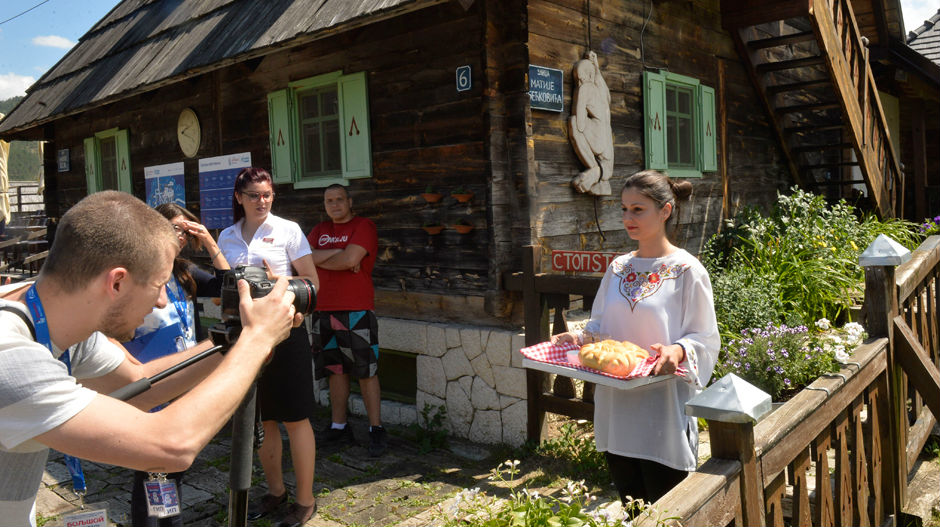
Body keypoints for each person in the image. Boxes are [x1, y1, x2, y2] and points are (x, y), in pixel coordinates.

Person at [0, 191, 300, 527]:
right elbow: (170, 445)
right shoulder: (9, 357)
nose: (161, 302)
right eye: (158, 285)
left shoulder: (56, 314)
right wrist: (257, 341)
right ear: (117, 282)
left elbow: (141, 384)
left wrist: (236, 337)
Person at [551, 170, 720, 512]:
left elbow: (704, 336)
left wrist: (677, 349)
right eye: (624, 209)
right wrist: (580, 336)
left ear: (665, 211)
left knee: (669, 510)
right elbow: (601, 324)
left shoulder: (687, 271)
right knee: (632, 506)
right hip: (618, 410)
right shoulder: (617, 268)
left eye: (638, 209)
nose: (628, 218)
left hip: (663, 411)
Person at [216, 167, 320, 527]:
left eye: (267, 194)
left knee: (296, 418)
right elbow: (225, 283)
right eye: (254, 195)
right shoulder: (227, 236)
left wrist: (279, 280)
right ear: (238, 198)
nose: (262, 201)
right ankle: (276, 492)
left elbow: (313, 282)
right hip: (247, 337)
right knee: (263, 420)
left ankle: (305, 502)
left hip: (287, 333)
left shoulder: (287, 230)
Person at [124, 203, 231, 527]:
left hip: (182, 380)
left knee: (172, 462)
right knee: (151, 465)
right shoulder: (135, 271)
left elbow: (227, 286)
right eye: (174, 228)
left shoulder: (184, 272)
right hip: (148, 382)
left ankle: (168, 519)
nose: (182, 236)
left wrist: (210, 243)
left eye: (186, 230)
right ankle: (156, 521)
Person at [307, 184, 386, 456]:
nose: (335, 204)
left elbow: (352, 258)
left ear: (350, 202)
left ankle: (376, 429)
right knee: (335, 370)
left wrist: (324, 258)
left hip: (357, 309)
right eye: (329, 200)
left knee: (366, 370)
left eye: (340, 199)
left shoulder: (364, 226)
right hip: (322, 309)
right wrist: (337, 257)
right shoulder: (319, 230)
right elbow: (303, 261)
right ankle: (339, 427)